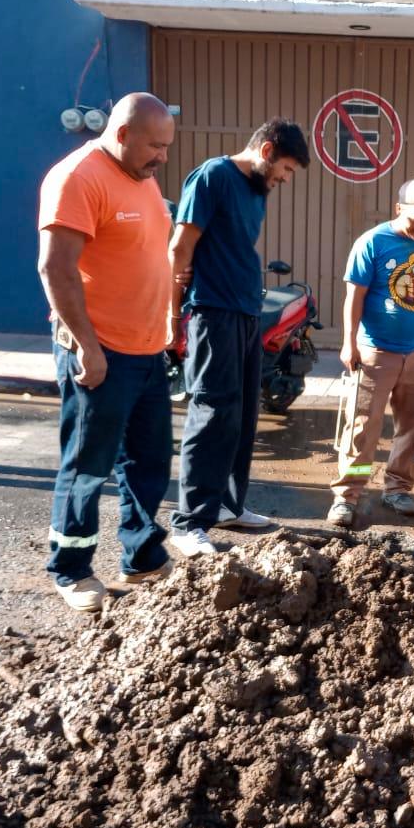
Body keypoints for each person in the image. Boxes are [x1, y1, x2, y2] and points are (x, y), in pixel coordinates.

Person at [36, 92, 176, 613]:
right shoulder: (79, 177)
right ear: (121, 134)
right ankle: (70, 568)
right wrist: (88, 347)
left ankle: (141, 556)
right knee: (88, 464)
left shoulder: (139, 173)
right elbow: (56, 268)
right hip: (100, 351)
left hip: (145, 349)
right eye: (154, 146)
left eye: (166, 146)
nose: (162, 156)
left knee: (149, 460)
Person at [166, 119, 311, 557]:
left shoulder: (255, 191)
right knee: (211, 411)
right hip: (212, 311)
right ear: (267, 150)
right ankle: (189, 522)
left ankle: (229, 504)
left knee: (244, 413)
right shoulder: (213, 176)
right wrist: (172, 312)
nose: (285, 180)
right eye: (285, 168)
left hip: (248, 311)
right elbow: (180, 246)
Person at [326, 178, 414, 529]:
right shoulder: (372, 242)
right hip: (375, 353)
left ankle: (398, 488)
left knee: (410, 427)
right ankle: (348, 495)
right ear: (398, 209)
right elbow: (354, 296)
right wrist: (348, 342)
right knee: (362, 429)